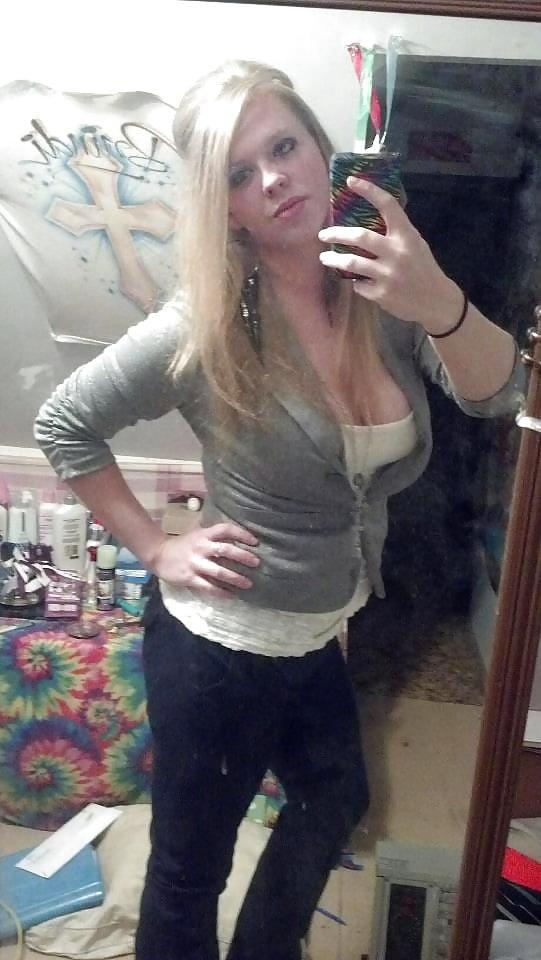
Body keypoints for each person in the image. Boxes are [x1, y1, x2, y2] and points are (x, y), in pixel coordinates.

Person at [34, 60, 524, 960]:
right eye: (238, 173)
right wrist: (156, 548)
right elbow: (64, 424)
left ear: (318, 148)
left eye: (284, 147)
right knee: (190, 869)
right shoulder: (204, 324)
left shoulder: (380, 286)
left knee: (335, 797)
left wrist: (440, 302)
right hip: (218, 648)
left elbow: (498, 395)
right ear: (224, 208)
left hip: (313, 632)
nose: (272, 179)